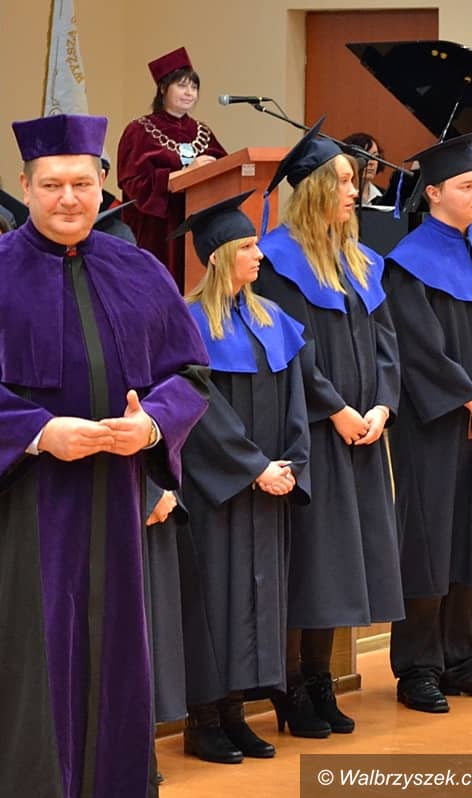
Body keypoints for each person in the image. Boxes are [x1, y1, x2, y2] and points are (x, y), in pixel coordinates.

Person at [0, 113, 209, 798]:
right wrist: (36, 432)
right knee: (33, 664)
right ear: (24, 186)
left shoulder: (139, 270)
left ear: (102, 186)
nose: (69, 199)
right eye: (52, 185)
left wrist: (151, 427)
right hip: (24, 508)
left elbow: (191, 375)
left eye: (82, 184)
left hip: (117, 503)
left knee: (117, 659)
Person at [256, 120, 404, 738]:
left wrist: (382, 407)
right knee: (312, 563)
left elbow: (387, 345)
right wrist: (337, 409)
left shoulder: (361, 261)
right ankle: (291, 683)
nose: (354, 190)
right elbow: (290, 350)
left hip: (363, 435)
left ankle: (321, 676)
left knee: (344, 562)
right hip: (313, 434)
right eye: (343, 181)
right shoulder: (277, 261)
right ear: (315, 188)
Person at [384, 133, 472, 715]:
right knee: (431, 542)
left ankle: (464, 660)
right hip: (437, 429)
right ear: (434, 192)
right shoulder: (409, 263)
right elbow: (418, 349)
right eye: (466, 186)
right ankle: (419, 667)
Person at [172, 191, 311, 763]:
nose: (260, 255)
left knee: (256, 603)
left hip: (268, 486)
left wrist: (290, 464)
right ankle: (204, 719)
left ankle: (236, 712)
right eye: (249, 245)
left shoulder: (270, 318)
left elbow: (296, 399)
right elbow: (199, 410)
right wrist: (253, 468)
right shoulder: (187, 322)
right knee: (215, 599)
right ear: (218, 255)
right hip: (218, 491)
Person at [117, 46, 226, 289]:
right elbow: (133, 184)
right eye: (182, 85)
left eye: (194, 87)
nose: (189, 93)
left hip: (198, 225)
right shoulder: (139, 130)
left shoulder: (203, 131)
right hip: (158, 230)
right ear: (163, 88)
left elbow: (225, 172)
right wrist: (184, 175)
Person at [343, 131, 384, 205]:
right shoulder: (339, 195)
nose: (371, 162)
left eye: (375, 156)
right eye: (364, 156)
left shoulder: (383, 196)